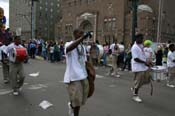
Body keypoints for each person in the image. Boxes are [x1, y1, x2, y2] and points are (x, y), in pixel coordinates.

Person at [64, 29, 90, 116]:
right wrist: (82, 38)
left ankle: (71, 105)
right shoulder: (68, 44)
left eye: (83, 34)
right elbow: (69, 48)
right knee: (78, 101)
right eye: (80, 34)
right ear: (75, 34)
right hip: (73, 77)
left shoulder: (83, 47)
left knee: (82, 98)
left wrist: (90, 72)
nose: (82, 35)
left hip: (83, 76)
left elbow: (84, 61)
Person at [131, 34, 153, 103]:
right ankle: (135, 95)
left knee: (147, 79)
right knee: (139, 81)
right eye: (141, 38)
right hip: (138, 67)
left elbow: (143, 56)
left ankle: (134, 87)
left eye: (142, 38)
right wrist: (145, 63)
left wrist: (148, 62)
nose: (142, 40)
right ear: (137, 38)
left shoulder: (140, 46)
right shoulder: (134, 47)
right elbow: (136, 59)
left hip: (143, 66)